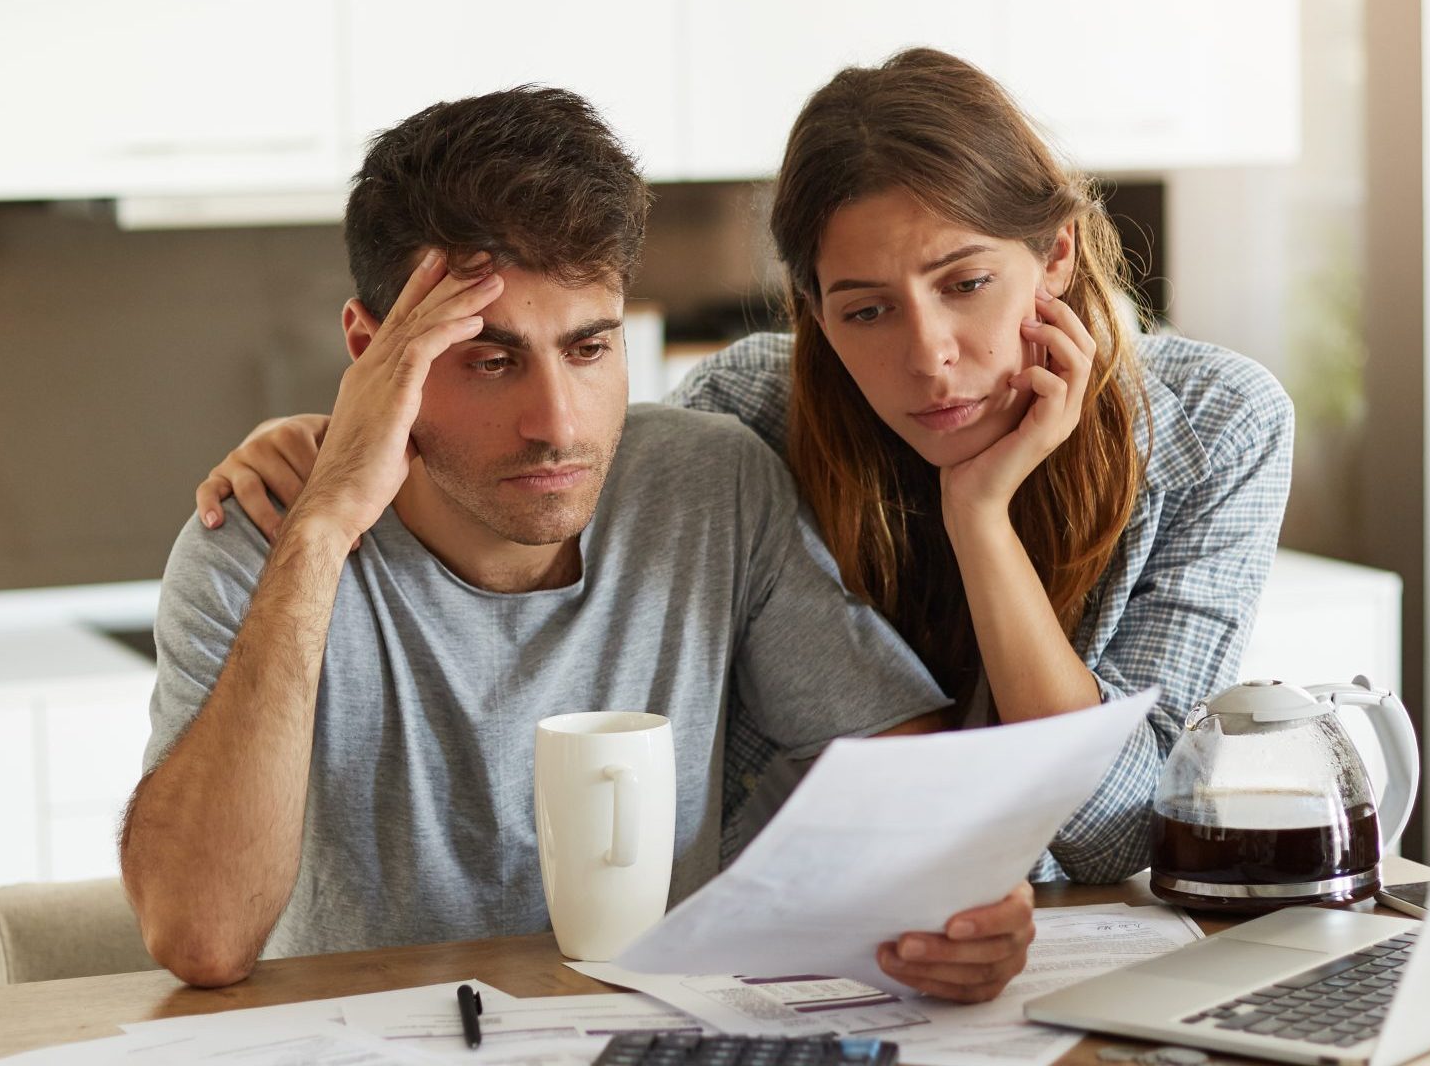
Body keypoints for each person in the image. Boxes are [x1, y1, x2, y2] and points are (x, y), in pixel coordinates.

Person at [196, 49, 1295, 890]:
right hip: (806, 950)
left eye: (965, 283)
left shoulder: (1215, 428)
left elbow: (1111, 831)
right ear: (812, 309)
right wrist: (345, 439)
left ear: (1052, 252)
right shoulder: (754, 412)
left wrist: (980, 517)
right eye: (864, 309)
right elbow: (551, 466)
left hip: (1043, 945)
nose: (927, 356)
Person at [123, 85, 1039, 1002]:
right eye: (490, 359)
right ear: (371, 350)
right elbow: (201, 938)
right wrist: (322, 532)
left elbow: (913, 782)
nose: (556, 425)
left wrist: (961, 905)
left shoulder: (710, 487)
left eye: (591, 349)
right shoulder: (260, 540)